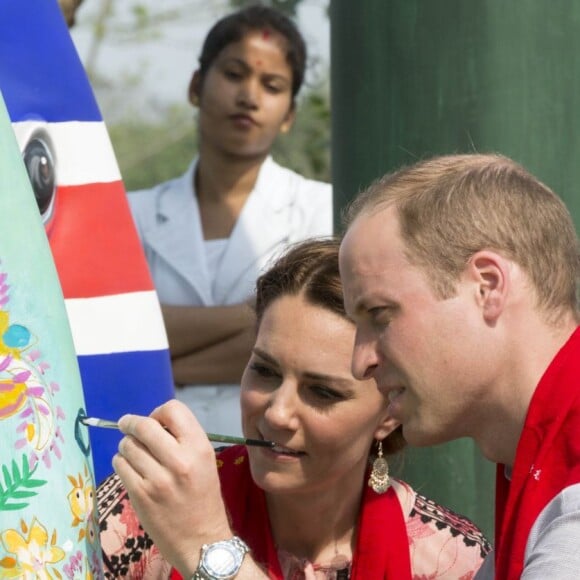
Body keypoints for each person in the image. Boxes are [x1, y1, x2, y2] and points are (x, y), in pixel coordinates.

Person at [99, 238, 490, 579]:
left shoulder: (452, 560)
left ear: (390, 413)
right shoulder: (142, 509)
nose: (276, 414)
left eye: (321, 392)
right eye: (265, 371)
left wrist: (206, 547)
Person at [338, 153, 580, 580]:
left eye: (379, 313)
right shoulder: (539, 450)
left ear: (487, 286)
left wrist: (210, 548)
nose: (361, 362)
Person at [126, 4, 332, 437]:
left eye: (272, 85)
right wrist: (264, 314)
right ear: (197, 85)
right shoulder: (130, 215)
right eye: (234, 74)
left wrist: (165, 366)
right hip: (153, 453)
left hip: (272, 451)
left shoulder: (321, 211)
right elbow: (119, 336)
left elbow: (318, 347)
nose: (249, 96)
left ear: (290, 113)